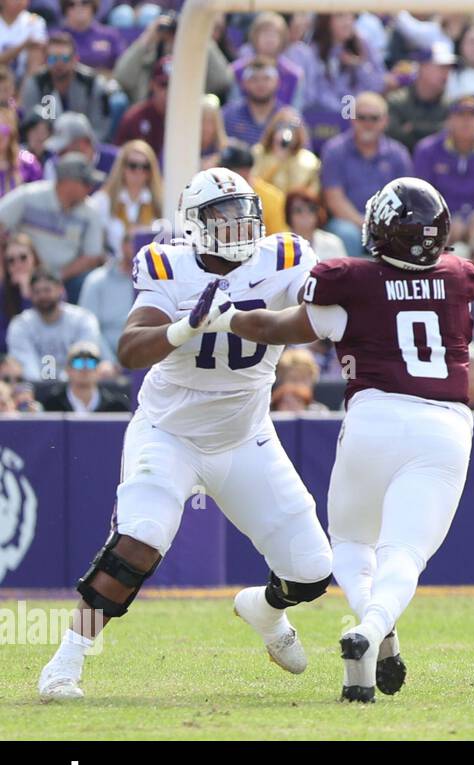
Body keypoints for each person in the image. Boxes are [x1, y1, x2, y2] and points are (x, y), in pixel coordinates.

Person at [36, 168, 333, 702]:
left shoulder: (285, 256)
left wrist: (245, 320)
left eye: (244, 211)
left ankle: (265, 613)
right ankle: (64, 664)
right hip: (169, 432)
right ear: (194, 224)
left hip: (245, 436)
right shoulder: (166, 264)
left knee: (311, 571)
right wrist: (185, 327)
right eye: (222, 214)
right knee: (139, 540)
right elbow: (128, 349)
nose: (238, 224)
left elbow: (316, 317)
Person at [210, 177, 474, 702]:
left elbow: (275, 328)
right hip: (444, 426)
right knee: (403, 552)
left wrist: (225, 316)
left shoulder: (349, 282)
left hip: (373, 419)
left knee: (352, 544)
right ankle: (373, 629)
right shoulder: (459, 276)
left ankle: (375, 630)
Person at [319, 92, 413, 255]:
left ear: (385, 121)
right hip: (348, 223)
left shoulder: (398, 154)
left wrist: (384, 226)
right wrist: (366, 224)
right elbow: (334, 200)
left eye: (374, 118)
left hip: (389, 224)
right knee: (346, 234)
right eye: (362, 117)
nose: (367, 124)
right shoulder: (334, 150)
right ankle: (351, 280)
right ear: (352, 119)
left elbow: (406, 200)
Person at [0, 153, 106, 297]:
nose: (90, 188)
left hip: (66, 278)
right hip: (22, 270)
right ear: (67, 182)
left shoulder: (90, 211)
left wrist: (56, 277)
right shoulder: (29, 196)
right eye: (86, 183)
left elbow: (91, 256)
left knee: (87, 281)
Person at [19, 31, 118, 142]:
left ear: (75, 59)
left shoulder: (93, 83)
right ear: (45, 60)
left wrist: (81, 146)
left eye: (65, 58)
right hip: (47, 145)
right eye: (52, 58)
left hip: (85, 145)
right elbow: (31, 125)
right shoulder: (35, 83)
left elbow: (100, 129)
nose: (59, 63)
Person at [4, 269, 100, 380]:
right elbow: (25, 364)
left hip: (74, 386)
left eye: (47, 290)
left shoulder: (83, 319)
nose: (42, 296)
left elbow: (84, 355)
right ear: (30, 294)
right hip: (34, 390)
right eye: (37, 292)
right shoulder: (20, 325)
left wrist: (62, 386)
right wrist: (43, 389)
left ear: (60, 289)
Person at [78, 230, 146, 358]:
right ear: (123, 246)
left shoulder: (158, 283)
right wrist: (108, 361)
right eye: (136, 243)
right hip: (104, 359)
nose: (142, 250)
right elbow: (87, 327)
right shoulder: (96, 280)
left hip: (146, 356)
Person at [87, 139, 161, 254]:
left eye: (145, 167)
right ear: (122, 168)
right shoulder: (103, 200)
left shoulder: (160, 202)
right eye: (133, 166)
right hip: (114, 266)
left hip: (150, 267)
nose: (139, 171)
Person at [385, 40, 455, 151]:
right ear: (422, 67)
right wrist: (437, 128)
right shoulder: (397, 101)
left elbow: (452, 135)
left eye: (449, 68)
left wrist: (413, 128)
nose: (446, 73)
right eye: (441, 67)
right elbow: (394, 137)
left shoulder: (451, 105)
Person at [37, 340, 128, 412]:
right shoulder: (52, 405)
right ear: (68, 369)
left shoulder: (115, 406)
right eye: (78, 363)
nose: (85, 368)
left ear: (98, 369)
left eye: (90, 363)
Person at [251, 108, 320, 196]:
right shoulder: (258, 153)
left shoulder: (309, 161)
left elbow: (309, 195)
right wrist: (278, 159)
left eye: (292, 127)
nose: (286, 131)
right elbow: (253, 185)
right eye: (281, 126)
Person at [222, 56, 280, 147]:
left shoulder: (287, 118)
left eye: (266, 79)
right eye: (254, 79)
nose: (260, 84)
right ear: (244, 83)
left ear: (277, 82)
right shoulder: (229, 115)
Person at [283, 188, 345, 261]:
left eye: (311, 209)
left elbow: (344, 271)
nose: (305, 214)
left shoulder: (333, 242)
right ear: (288, 215)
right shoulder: (278, 246)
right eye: (298, 210)